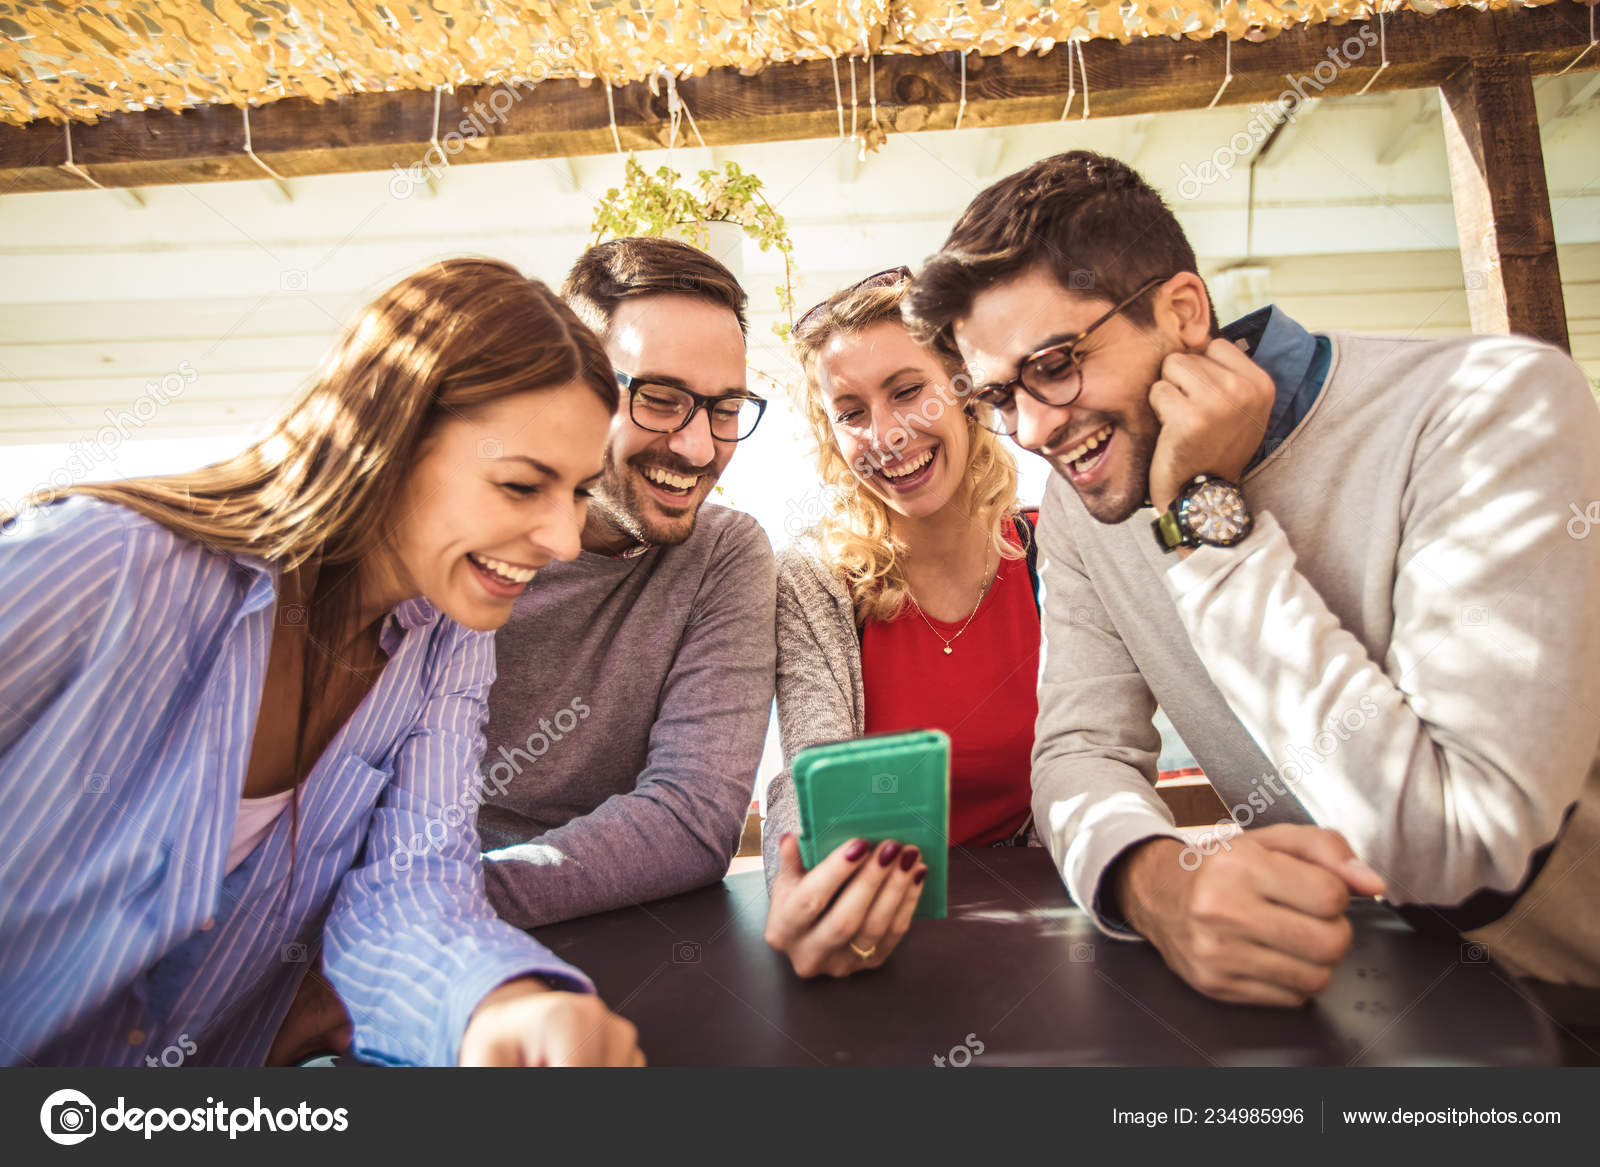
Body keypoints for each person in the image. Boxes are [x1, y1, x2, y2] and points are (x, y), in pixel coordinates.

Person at [906, 150, 1600, 1002]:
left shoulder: (1491, 405)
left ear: (1184, 310)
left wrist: (1202, 514)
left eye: (1054, 365)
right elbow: (1081, 750)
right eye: (998, 397)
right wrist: (1158, 884)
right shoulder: (1085, 502)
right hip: (1345, 999)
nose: (1032, 428)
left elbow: (1453, 845)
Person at [0, 259, 643, 1066]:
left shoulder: (450, 644)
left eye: (581, 491)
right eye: (521, 485)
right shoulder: (103, 564)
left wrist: (496, 1007)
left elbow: (413, 883)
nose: (562, 540)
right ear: (390, 442)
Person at [479, 238, 777, 928]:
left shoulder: (725, 553)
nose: (699, 448)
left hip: (626, 933)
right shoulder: (468, 538)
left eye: (725, 409)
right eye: (661, 398)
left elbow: (693, 817)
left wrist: (444, 906)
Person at [762, 269, 1041, 979]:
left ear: (964, 385)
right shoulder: (814, 582)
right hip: (881, 929)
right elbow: (808, 776)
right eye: (851, 411)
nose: (885, 435)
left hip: (1043, 913)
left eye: (908, 391)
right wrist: (801, 883)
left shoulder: (1051, 552)